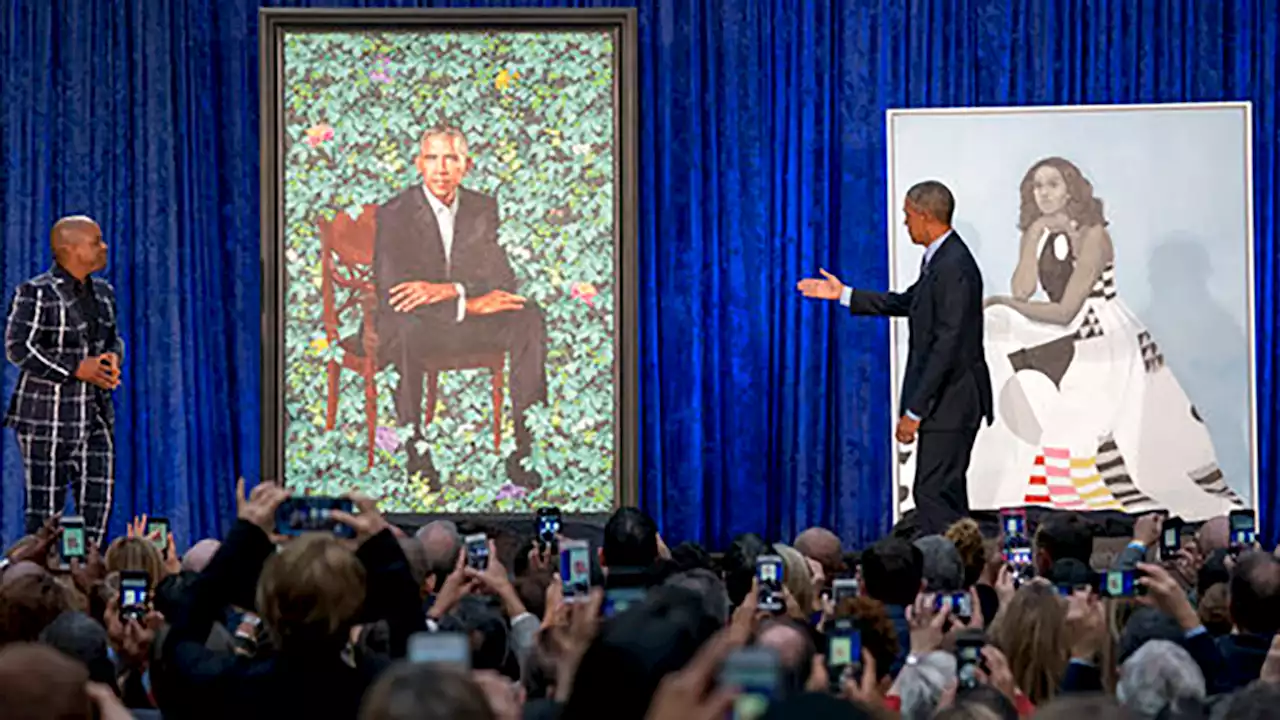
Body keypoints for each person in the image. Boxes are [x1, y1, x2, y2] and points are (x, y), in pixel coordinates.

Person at [978, 157, 1240, 518]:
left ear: (1071, 188)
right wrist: (1032, 237)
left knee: (1078, 416)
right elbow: (1023, 291)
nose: (1044, 193)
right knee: (999, 335)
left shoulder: (1094, 236)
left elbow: (1068, 310)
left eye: (1052, 184)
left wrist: (1000, 302)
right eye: (1037, 186)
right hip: (1063, 328)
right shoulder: (1039, 232)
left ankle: (1085, 493)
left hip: (1098, 333)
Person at [798, 181, 991, 535]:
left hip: (953, 400)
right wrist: (845, 295)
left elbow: (946, 346)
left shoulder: (954, 266)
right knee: (943, 493)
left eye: (907, 215)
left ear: (925, 216)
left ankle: (944, 575)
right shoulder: (939, 259)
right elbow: (907, 302)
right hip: (949, 399)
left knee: (933, 494)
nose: (905, 223)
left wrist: (915, 411)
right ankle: (959, 568)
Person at [373, 124, 548, 490]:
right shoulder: (395, 213)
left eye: (451, 159)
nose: (441, 169)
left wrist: (450, 291)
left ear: (465, 166)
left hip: (462, 319)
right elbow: (397, 292)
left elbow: (500, 278)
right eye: (432, 158)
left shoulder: (483, 207)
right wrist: (468, 303)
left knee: (528, 317)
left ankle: (523, 449)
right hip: (416, 325)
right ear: (419, 164)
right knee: (403, 330)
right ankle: (416, 454)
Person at [4, 216, 122, 544]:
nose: (104, 247)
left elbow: (112, 339)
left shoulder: (104, 293)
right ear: (68, 249)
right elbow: (18, 347)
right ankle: (38, 587)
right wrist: (74, 367)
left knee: (96, 510)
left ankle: (89, 580)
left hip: (94, 417)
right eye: (95, 241)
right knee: (44, 517)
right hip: (46, 420)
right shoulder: (36, 292)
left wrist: (112, 359)